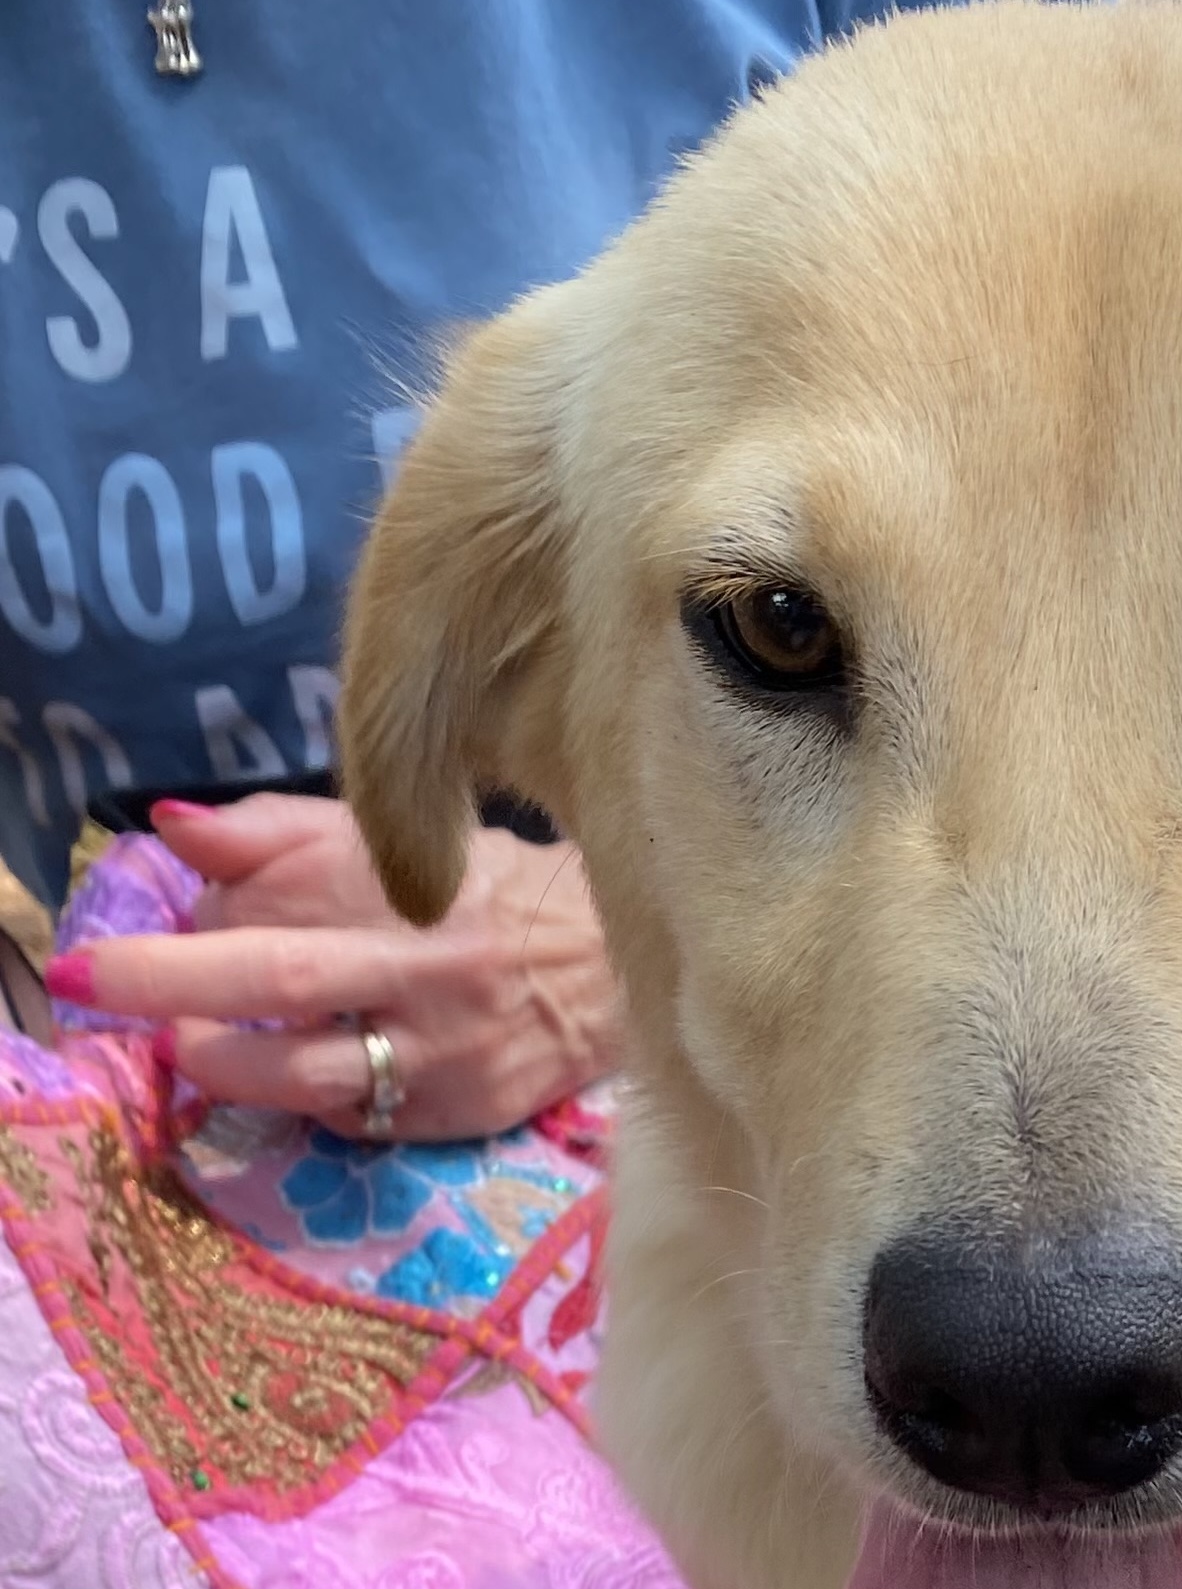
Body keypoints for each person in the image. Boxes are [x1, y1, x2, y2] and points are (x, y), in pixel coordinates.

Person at [1, 0, 947, 1141]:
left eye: (775, 625)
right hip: (86, 1142)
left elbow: (1110, 624)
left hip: (709, 1117)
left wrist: (608, 964)